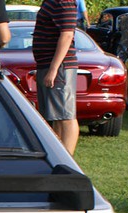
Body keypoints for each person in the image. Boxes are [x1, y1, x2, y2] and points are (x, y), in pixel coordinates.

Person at [32, 0, 79, 155]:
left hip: (59, 67)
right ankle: (59, 155)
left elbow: (66, 35)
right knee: (57, 116)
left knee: (66, 115)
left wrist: (53, 69)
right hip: (48, 65)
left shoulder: (64, 1)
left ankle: (67, 161)